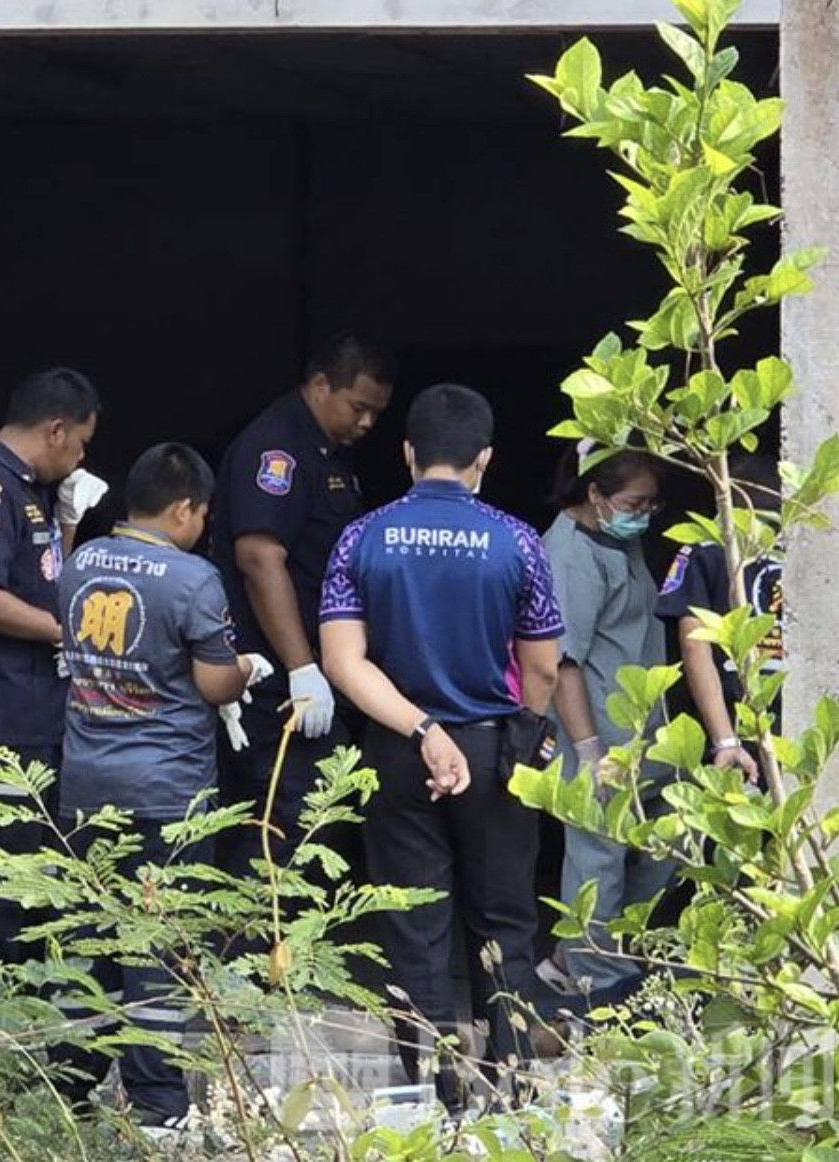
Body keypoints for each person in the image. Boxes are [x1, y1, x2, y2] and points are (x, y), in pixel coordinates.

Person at [318, 383, 563, 1111]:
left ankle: (426, 1088)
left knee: (412, 919)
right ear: (484, 458)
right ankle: (514, 1083)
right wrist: (524, 730)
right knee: (504, 919)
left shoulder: (362, 537)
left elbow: (342, 662)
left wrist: (422, 730)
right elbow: (544, 667)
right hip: (494, 753)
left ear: (406, 453)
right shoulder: (517, 540)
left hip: (398, 750)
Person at [50, 443, 265, 1139]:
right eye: (202, 514)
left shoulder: (80, 561)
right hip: (167, 790)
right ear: (183, 509)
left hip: (86, 784)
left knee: (92, 936)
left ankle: (67, 1084)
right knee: (160, 945)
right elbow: (213, 683)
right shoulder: (194, 579)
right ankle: (157, 1099)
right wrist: (247, 668)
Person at [0, 367, 106, 962]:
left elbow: (44, 580)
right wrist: (65, 634)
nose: (82, 456)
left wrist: (69, 523)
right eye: (81, 442)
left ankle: (25, 991)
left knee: (33, 870)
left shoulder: (29, 487)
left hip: (32, 711)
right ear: (56, 430)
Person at [210, 333, 395, 874]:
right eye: (358, 407)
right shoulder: (278, 449)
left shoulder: (330, 453)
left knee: (320, 812)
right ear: (320, 385)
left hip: (316, 669)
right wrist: (301, 669)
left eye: (376, 413)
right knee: (291, 817)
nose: (367, 423)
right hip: (275, 677)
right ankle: (258, 926)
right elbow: (259, 558)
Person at [535, 444, 673, 1002]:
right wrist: (589, 749)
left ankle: (579, 953)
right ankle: (598, 985)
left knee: (672, 835)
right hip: (595, 731)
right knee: (599, 858)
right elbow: (563, 663)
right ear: (594, 494)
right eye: (635, 503)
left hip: (642, 733)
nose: (644, 515)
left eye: (651, 504)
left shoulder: (617, 538)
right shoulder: (568, 554)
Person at [655, 453, 783, 781]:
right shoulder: (808, 544)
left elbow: (694, 645)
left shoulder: (704, 549)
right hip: (793, 719)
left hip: (736, 721)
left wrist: (724, 740)